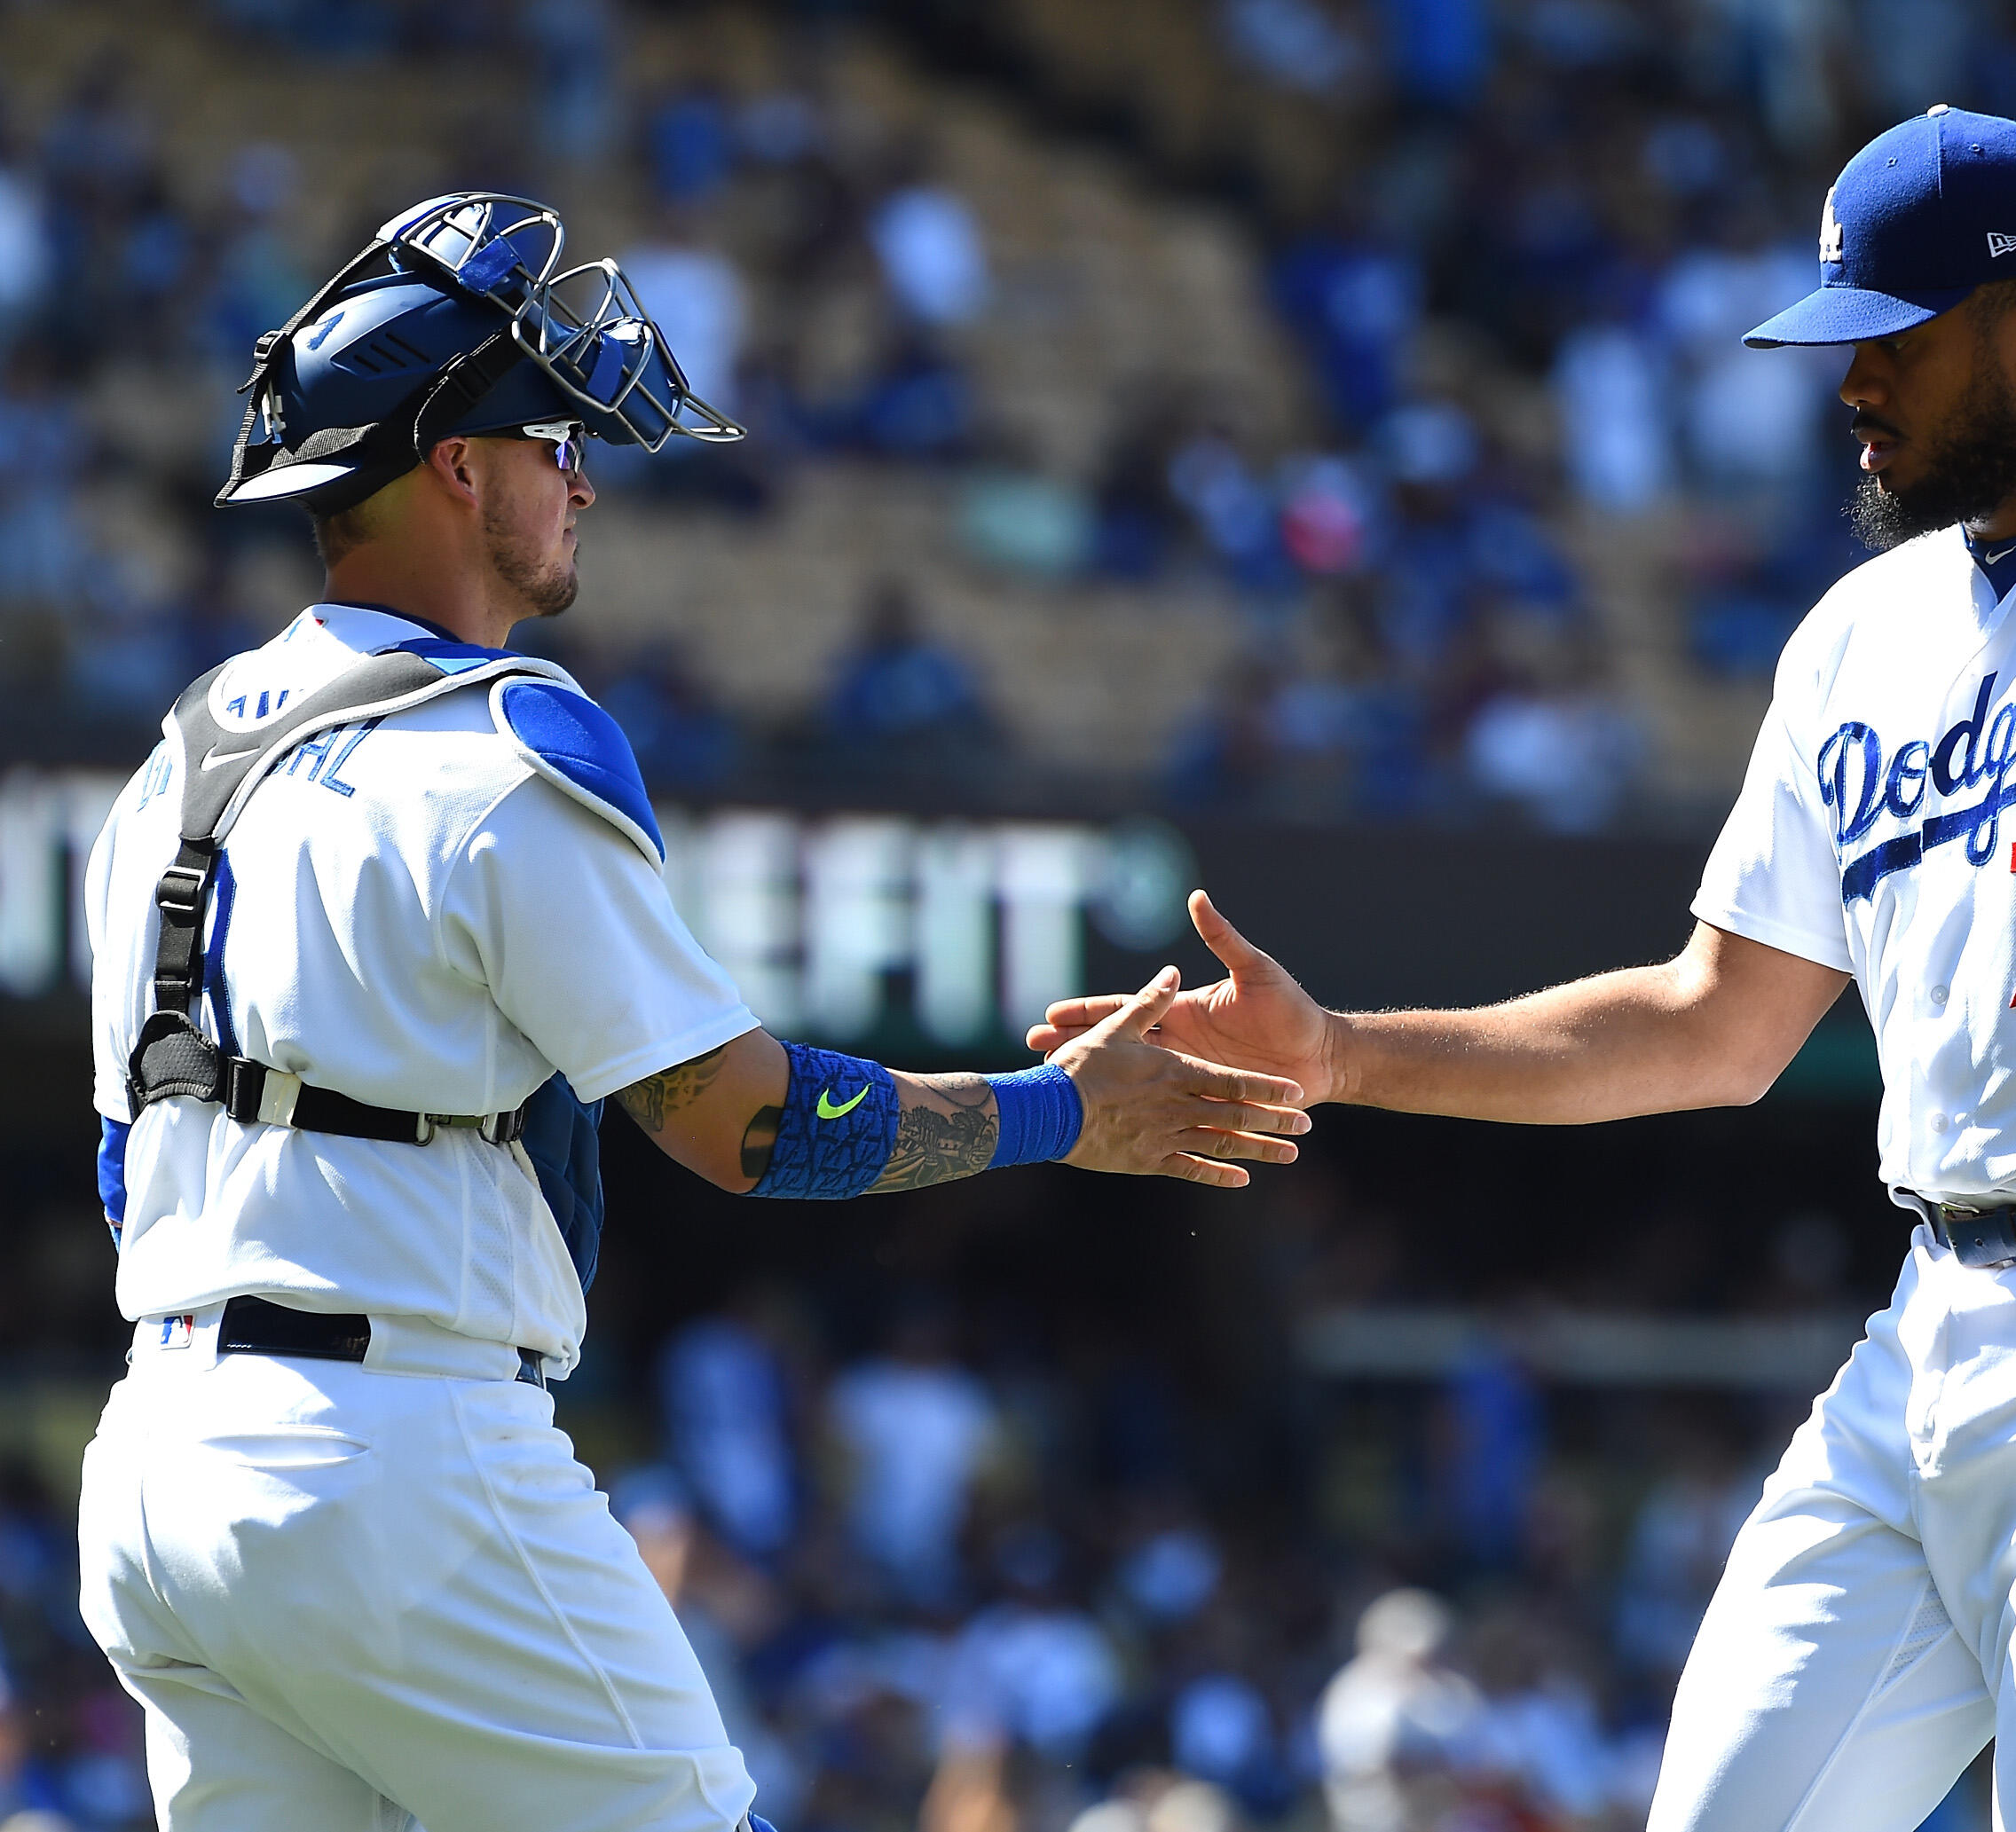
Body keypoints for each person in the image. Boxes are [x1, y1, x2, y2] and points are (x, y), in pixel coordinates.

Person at [1032, 111, 2016, 1829]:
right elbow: (1711, 1020)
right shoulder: (1854, 641)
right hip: (1936, 1318)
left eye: (1891, 337)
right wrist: (1344, 1050)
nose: (1849, 384)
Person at [77, 193, 1308, 1832]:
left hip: (157, 1463)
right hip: (392, 1460)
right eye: (553, 437)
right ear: (456, 461)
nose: (583, 473)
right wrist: (1065, 1110)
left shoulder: (169, 773)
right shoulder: (501, 742)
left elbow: (116, 1171)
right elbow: (752, 1127)